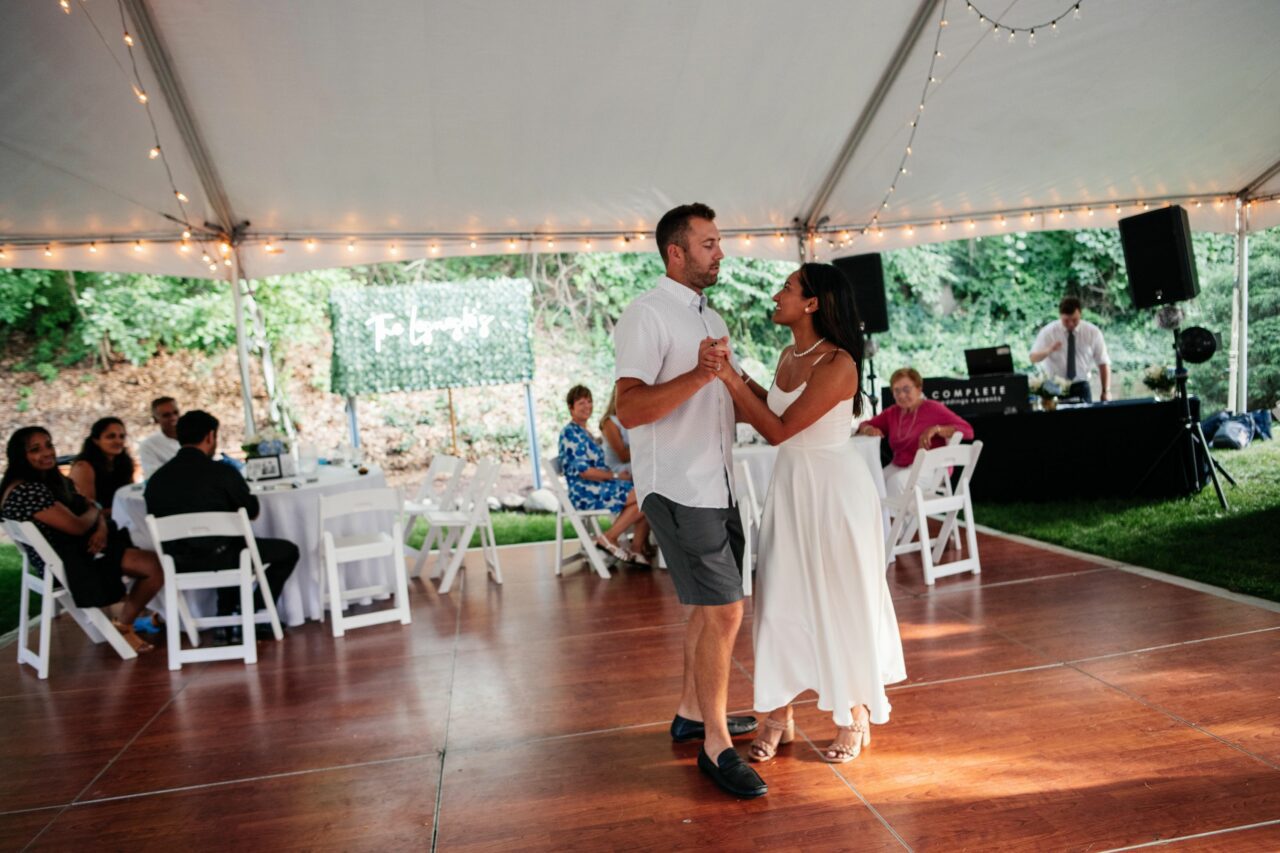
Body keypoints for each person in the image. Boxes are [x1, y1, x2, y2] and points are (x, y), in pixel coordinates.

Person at [713, 262, 907, 765]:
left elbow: (779, 430)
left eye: (787, 288)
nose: (777, 295)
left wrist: (731, 378)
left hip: (835, 493)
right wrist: (737, 378)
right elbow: (773, 406)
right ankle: (780, 713)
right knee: (780, 599)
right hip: (792, 489)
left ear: (813, 303)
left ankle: (853, 712)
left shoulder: (839, 363)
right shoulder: (787, 354)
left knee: (841, 599)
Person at [614, 202, 764, 799]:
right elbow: (628, 408)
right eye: (708, 244)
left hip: (718, 482)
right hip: (678, 485)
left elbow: (729, 389)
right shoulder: (645, 316)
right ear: (676, 252)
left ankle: (691, 713)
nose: (720, 252)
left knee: (709, 607)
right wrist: (702, 376)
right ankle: (717, 746)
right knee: (726, 609)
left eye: (719, 241)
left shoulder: (711, 314)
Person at [1, 426, 164, 653]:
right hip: (73, 561)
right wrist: (96, 514)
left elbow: (88, 506)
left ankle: (161, 613)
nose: (47, 452)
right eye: (35, 449)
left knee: (143, 544)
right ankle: (125, 624)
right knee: (156, 564)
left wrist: (100, 525)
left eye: (49, 445)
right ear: (21, 456)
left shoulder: (41, 483)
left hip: (76, 551)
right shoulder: (27, 492)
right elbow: (77, 526)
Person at [145, 410, 298, 633]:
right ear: (210, 436)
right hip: (225, 555)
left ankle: (226, 616)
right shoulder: (222, 472)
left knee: (228, 547)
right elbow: (252, 512)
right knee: (286, 551)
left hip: (178, 562)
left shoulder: (156, 480)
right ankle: (254, 611)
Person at [557, 385, 651, 564]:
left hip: (597, 487)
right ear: (571, 407)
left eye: (589, 401)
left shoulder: (586, 433)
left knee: (647, 495)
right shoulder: (570, 433)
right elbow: (584, 471)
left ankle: (635, 549)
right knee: (644, 496)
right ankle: (610, 538)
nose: (587, 406)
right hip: (584, 492)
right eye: (581, 402)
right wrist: (615, 477)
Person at [857, 367, 974, 497]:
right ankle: (887, 518)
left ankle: (897, 517)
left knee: (896, 482)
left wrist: (937, 429)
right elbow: (864, 424)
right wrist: (868, 429)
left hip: (931, 468)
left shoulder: (933, 408)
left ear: (919, 389)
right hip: (899, 466)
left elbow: (968, 431)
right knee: (874, 483)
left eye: (906, 389)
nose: (901, 395)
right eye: (896, 390)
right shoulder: (892, 412)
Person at [1029, 296, 1111, 402]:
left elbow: (1103, 363)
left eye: (1075, 320)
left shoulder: (1093, 332)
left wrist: (1106, 391)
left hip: (1081, 384)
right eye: (1066, 321)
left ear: (1080, 314)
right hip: (1054, 385)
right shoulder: (1048, 332)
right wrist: (1049, 349)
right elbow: (1033, 358)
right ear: (1060, 316)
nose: (1071, 324)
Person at [69, 417, 137, 520]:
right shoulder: (83, 467)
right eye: (111, 436)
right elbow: (87, 510)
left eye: (122, 437)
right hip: (98, 524)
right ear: (96, 440)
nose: (118, 441)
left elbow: (131, 494)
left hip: (124, 518)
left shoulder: (124, 463)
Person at [138, 397, 181, 477]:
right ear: (156, 420)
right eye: (166, 415)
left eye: (175, 412)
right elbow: (153, 475)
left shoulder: (197, 437)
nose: (173, 418)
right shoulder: (149, 446)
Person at [598, 387, 632, 476]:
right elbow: (623, 457)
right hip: (616, 469)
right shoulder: (610, 422)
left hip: (631, 463)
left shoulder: (634, 419)